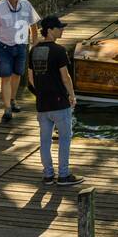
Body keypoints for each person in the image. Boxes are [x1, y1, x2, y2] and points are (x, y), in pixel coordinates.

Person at [27, 15, 80, 186]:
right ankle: (63, 175)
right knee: (65, 138)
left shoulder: (33, 51)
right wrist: (71, 95)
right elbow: (66, 77)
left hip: (42, 103)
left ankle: (48, 175)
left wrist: (40, 92)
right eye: (59, 27)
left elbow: (30, 78)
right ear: (50, 30)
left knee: (45, 141)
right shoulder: (59, 51)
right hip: (59, 103)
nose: (62, 30)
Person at [0, 0, 40, 124]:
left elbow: (33, 24)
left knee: (17, 74)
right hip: (4, 47)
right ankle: (7, 108)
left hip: (21, 46)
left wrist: (35, 41)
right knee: (6, 77)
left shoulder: (26, 4)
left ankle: (12, 99)